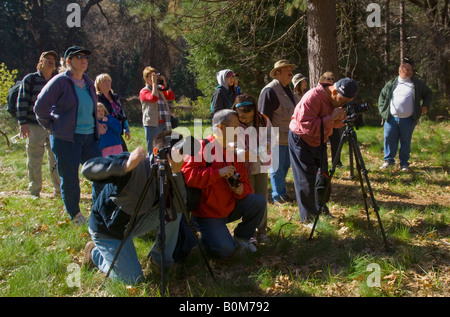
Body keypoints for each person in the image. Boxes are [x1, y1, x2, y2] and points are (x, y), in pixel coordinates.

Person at [81, 132, 186, 284]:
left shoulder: (173, 173)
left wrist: (177, 173)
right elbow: (87, 169)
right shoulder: (135, 164)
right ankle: (94, 254)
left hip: (134, 222)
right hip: (109, 229)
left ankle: (159, 261)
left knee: (174, 212)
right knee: (133, 280)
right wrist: (125, 166)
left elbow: (180, 206)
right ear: (157, 153)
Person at [182, 109, 266, 258]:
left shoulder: (232, 152)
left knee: (258, 201)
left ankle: (242, 238)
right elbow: (188, 176)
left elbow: (247, 184)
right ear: (221, 128)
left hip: (229, 207)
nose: (239, 131)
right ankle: (204, 239)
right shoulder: (201, 147)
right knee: (225, 251)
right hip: (207, 214)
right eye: (235, 127)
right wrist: (217, 173)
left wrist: (241, 190)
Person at [34, 46, 104, 225]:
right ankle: (75, 214)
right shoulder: (59, 82)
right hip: (67, 140)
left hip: (89, 138)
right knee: (70, 178)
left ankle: (99, 211)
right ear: (68, 61)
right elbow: (40, 107)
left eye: (85, 57)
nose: (83, 60)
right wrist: (52, 126)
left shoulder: (88, 82)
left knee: (100, 175)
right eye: (78, 57)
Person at [289, 77, 358, 224]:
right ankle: (308, 219)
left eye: (347, 102)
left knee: (322, 177)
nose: (343, 104)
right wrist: (331, 117)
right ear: (333, 91)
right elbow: (306, 126)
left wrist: (339, 118)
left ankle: (321, 209)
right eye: (342, 100)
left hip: (320, 140)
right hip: (301, 139)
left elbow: (337, 124)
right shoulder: (312, 97)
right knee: (306, 180)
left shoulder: (336, 99)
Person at [16, 50, 61, 199]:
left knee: (55, 159)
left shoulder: (57, 81)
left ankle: (59, 191)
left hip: (53, 127)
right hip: (34, 126)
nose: (50, 61)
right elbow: (22, 101)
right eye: (47, 59)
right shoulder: (30, 79)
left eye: (53, 59)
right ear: (40, 63)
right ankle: (34, 191)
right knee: (34, 159)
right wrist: (23, 123)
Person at [258, 59, 300, 205]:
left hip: (289, 136)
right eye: (287, 69)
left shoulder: (289, 90)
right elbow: (263, 117)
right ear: (277, 73)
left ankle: (281, 192)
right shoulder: (269, 91)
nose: (291, 72)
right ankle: (278, 197)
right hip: (274, 137)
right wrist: (264, 140)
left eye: (291, 68)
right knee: (276, 168)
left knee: (284, 166)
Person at [232, 94, 272, 243]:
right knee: (250, 199)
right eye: (243, 118)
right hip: (244, 169)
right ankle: (250, 232)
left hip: (261, 166)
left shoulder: (263, 119)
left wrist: (267, 143)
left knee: (262, 197)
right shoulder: (233, 123)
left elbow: (270, 136)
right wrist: (247, 153)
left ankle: (262, 230)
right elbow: (232, 147)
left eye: (249, 118)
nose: (247, 120)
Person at [378, 62, 433, 171]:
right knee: (389, 140)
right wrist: (383, 112)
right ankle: (388, 161)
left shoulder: (416, 84)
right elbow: (382, 97)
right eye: (406, 70)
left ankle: (404, 164)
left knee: (405, 142)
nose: (409, 72)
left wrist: (425, 106)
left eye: (411, 70)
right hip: (391, 118)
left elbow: (429, 93)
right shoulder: (392, 83)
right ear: (400, 71)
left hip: (409, 119)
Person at [140, 66, 176, 155]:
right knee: (153, 149)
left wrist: (164, 83)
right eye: (151, 77)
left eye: (155, 76)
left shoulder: (160, 89)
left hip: (165, 122)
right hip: (153, 124)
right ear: (146, 78)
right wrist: (154, 84)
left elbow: (171, 97)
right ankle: (152, 166)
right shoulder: (144, 91)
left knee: (167, 146)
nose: (154, 78)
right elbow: (154, 98)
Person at [95, 73, 131, 151]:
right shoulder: (96, 97)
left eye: (109, 81)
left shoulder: (114, 96)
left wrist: (126, 129)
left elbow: (122, 112)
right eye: (104, 81)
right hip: (106, 130)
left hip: (116, 128)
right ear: (98, 84)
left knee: (124, 154)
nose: (107, 83)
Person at [318, 71, 343, 167]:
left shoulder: (335, 92)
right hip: (322, 122)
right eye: (328, 79)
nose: (331, 81)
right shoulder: (319, 93)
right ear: (322, 80)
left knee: (336, 141)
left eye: (332, 79)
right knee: (322, 145)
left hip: (333, 121)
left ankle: (337, 162)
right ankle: (323, 165)